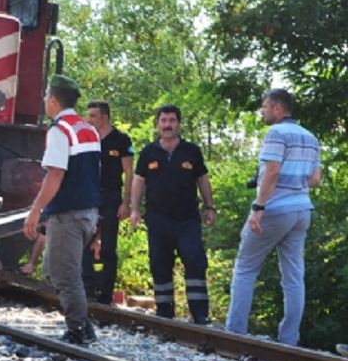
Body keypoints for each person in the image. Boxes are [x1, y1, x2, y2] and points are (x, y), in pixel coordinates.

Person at [224, 88, 321, 345]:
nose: (263, 111)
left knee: (245, 268)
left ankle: (234, 334)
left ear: (278, 108)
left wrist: (258, 207)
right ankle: (289, 340)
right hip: (302, 210)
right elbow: (315, 179)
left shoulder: (276, 133)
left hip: (275, 210)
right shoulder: (310, 137)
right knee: (293, 275)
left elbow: (272, 171)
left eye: (265, 107)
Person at [22, 75, 101, 345]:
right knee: (55, 270)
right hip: (88, 211)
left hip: (68, 214)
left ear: (54, 100)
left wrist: (35, 210)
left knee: (65, 275)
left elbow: (55, 175)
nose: (44, 101)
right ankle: (82, 322)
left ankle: (79, 329)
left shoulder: (60, 130)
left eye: (46, 96)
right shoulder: (87, 128)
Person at [129, 103, 216, 324]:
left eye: (172, 121)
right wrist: (134, 210)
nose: (168, 125)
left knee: (195, 261)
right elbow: (139, 182)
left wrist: (210, 206)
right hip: (157, 219)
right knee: (159, 263)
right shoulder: (149, 152)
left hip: (187, 219)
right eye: (164, 121)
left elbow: (202, 180)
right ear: (157, 124)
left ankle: (200, 315)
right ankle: (164, 313)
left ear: (178, 123)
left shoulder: (192, 151)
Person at [83, 100, 135, 304]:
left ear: (104, 117)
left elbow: (129, 173)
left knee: (108, 248)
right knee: (84, 243)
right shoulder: (88, 139)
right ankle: (87, 288)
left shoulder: (121, 140)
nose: (89, 120)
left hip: (112, 198)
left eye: (93, 116)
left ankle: (106, 293)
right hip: (89, 197)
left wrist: (127, 202)